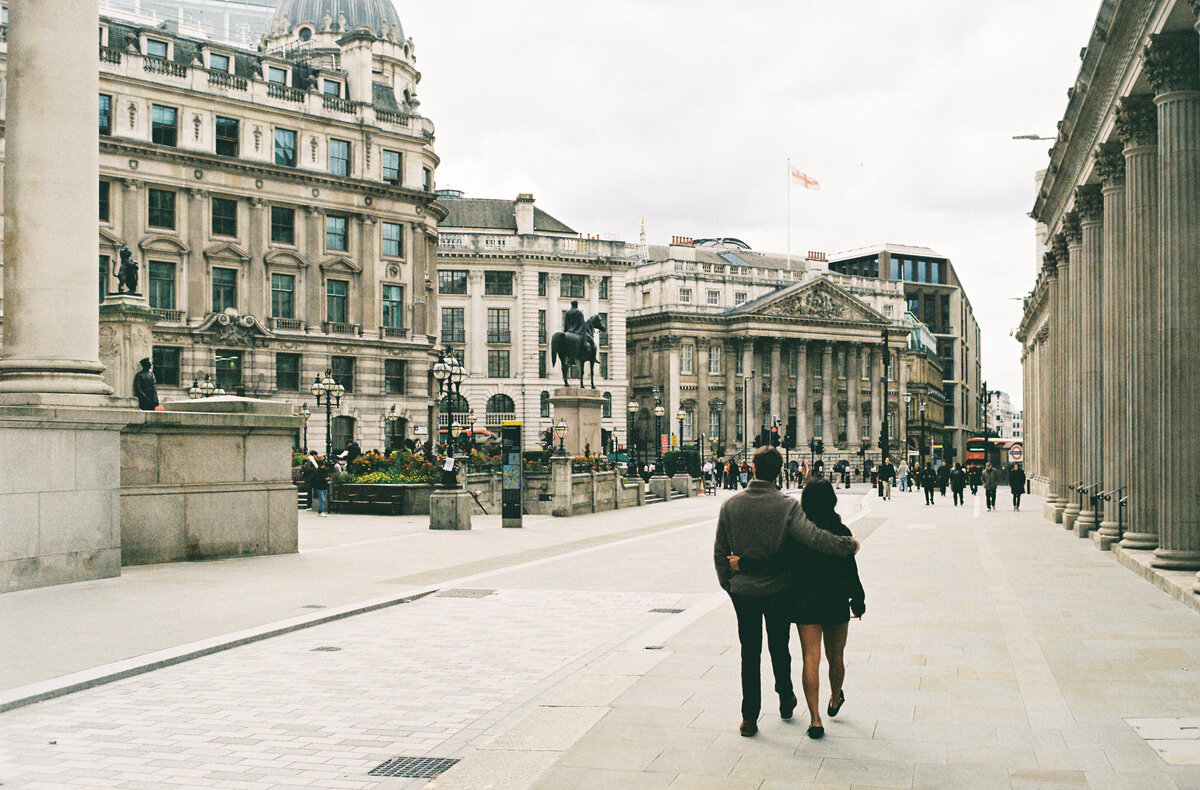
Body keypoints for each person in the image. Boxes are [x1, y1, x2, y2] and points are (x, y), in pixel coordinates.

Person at [713, 447, 860, 738]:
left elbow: (719, 553)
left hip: (743, 592)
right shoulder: (787, 507)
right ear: (779, 471)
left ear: (752, 469)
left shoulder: (730, 506)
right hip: (778, 589)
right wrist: (848, 544)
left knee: (749, 653)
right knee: (779, 648)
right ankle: (785, 698)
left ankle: (749, 717)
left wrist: (730, 586)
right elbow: (815, 538)